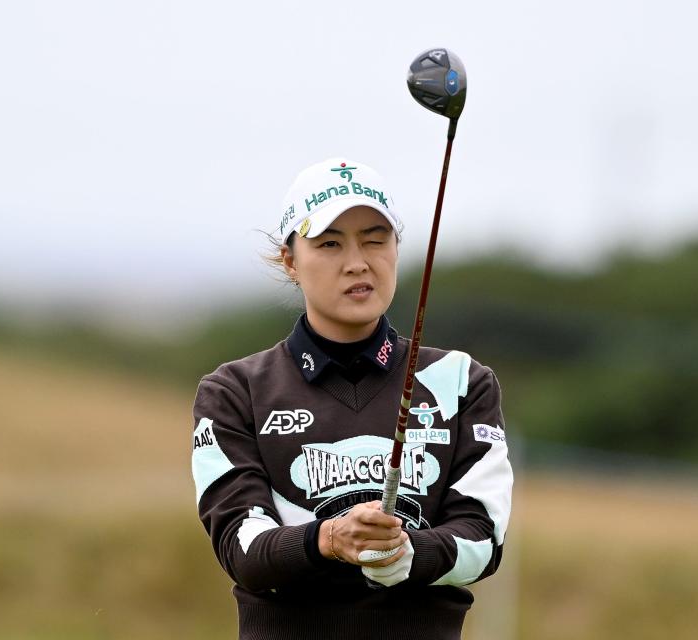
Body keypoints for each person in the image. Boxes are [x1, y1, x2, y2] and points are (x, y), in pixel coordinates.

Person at [191, 157, 514, 640]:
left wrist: (408, 555)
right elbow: (243, 548)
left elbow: (484, 539)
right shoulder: (235, 391)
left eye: (375, 238)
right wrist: (327, 540)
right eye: (329, 243)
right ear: (290, 260)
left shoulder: (463, 380)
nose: (358, 261)